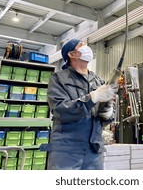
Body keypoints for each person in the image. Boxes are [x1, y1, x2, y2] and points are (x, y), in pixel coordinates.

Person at [40, 39, 118, 170]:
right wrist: (92, 97)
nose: (87, 48)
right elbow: (61, 111)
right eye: (82, 46)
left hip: (94, 150)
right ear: (72, 54)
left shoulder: (99, 81)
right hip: (66, 151)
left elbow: (103, 120)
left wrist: (108, 110)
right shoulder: (59, 79)